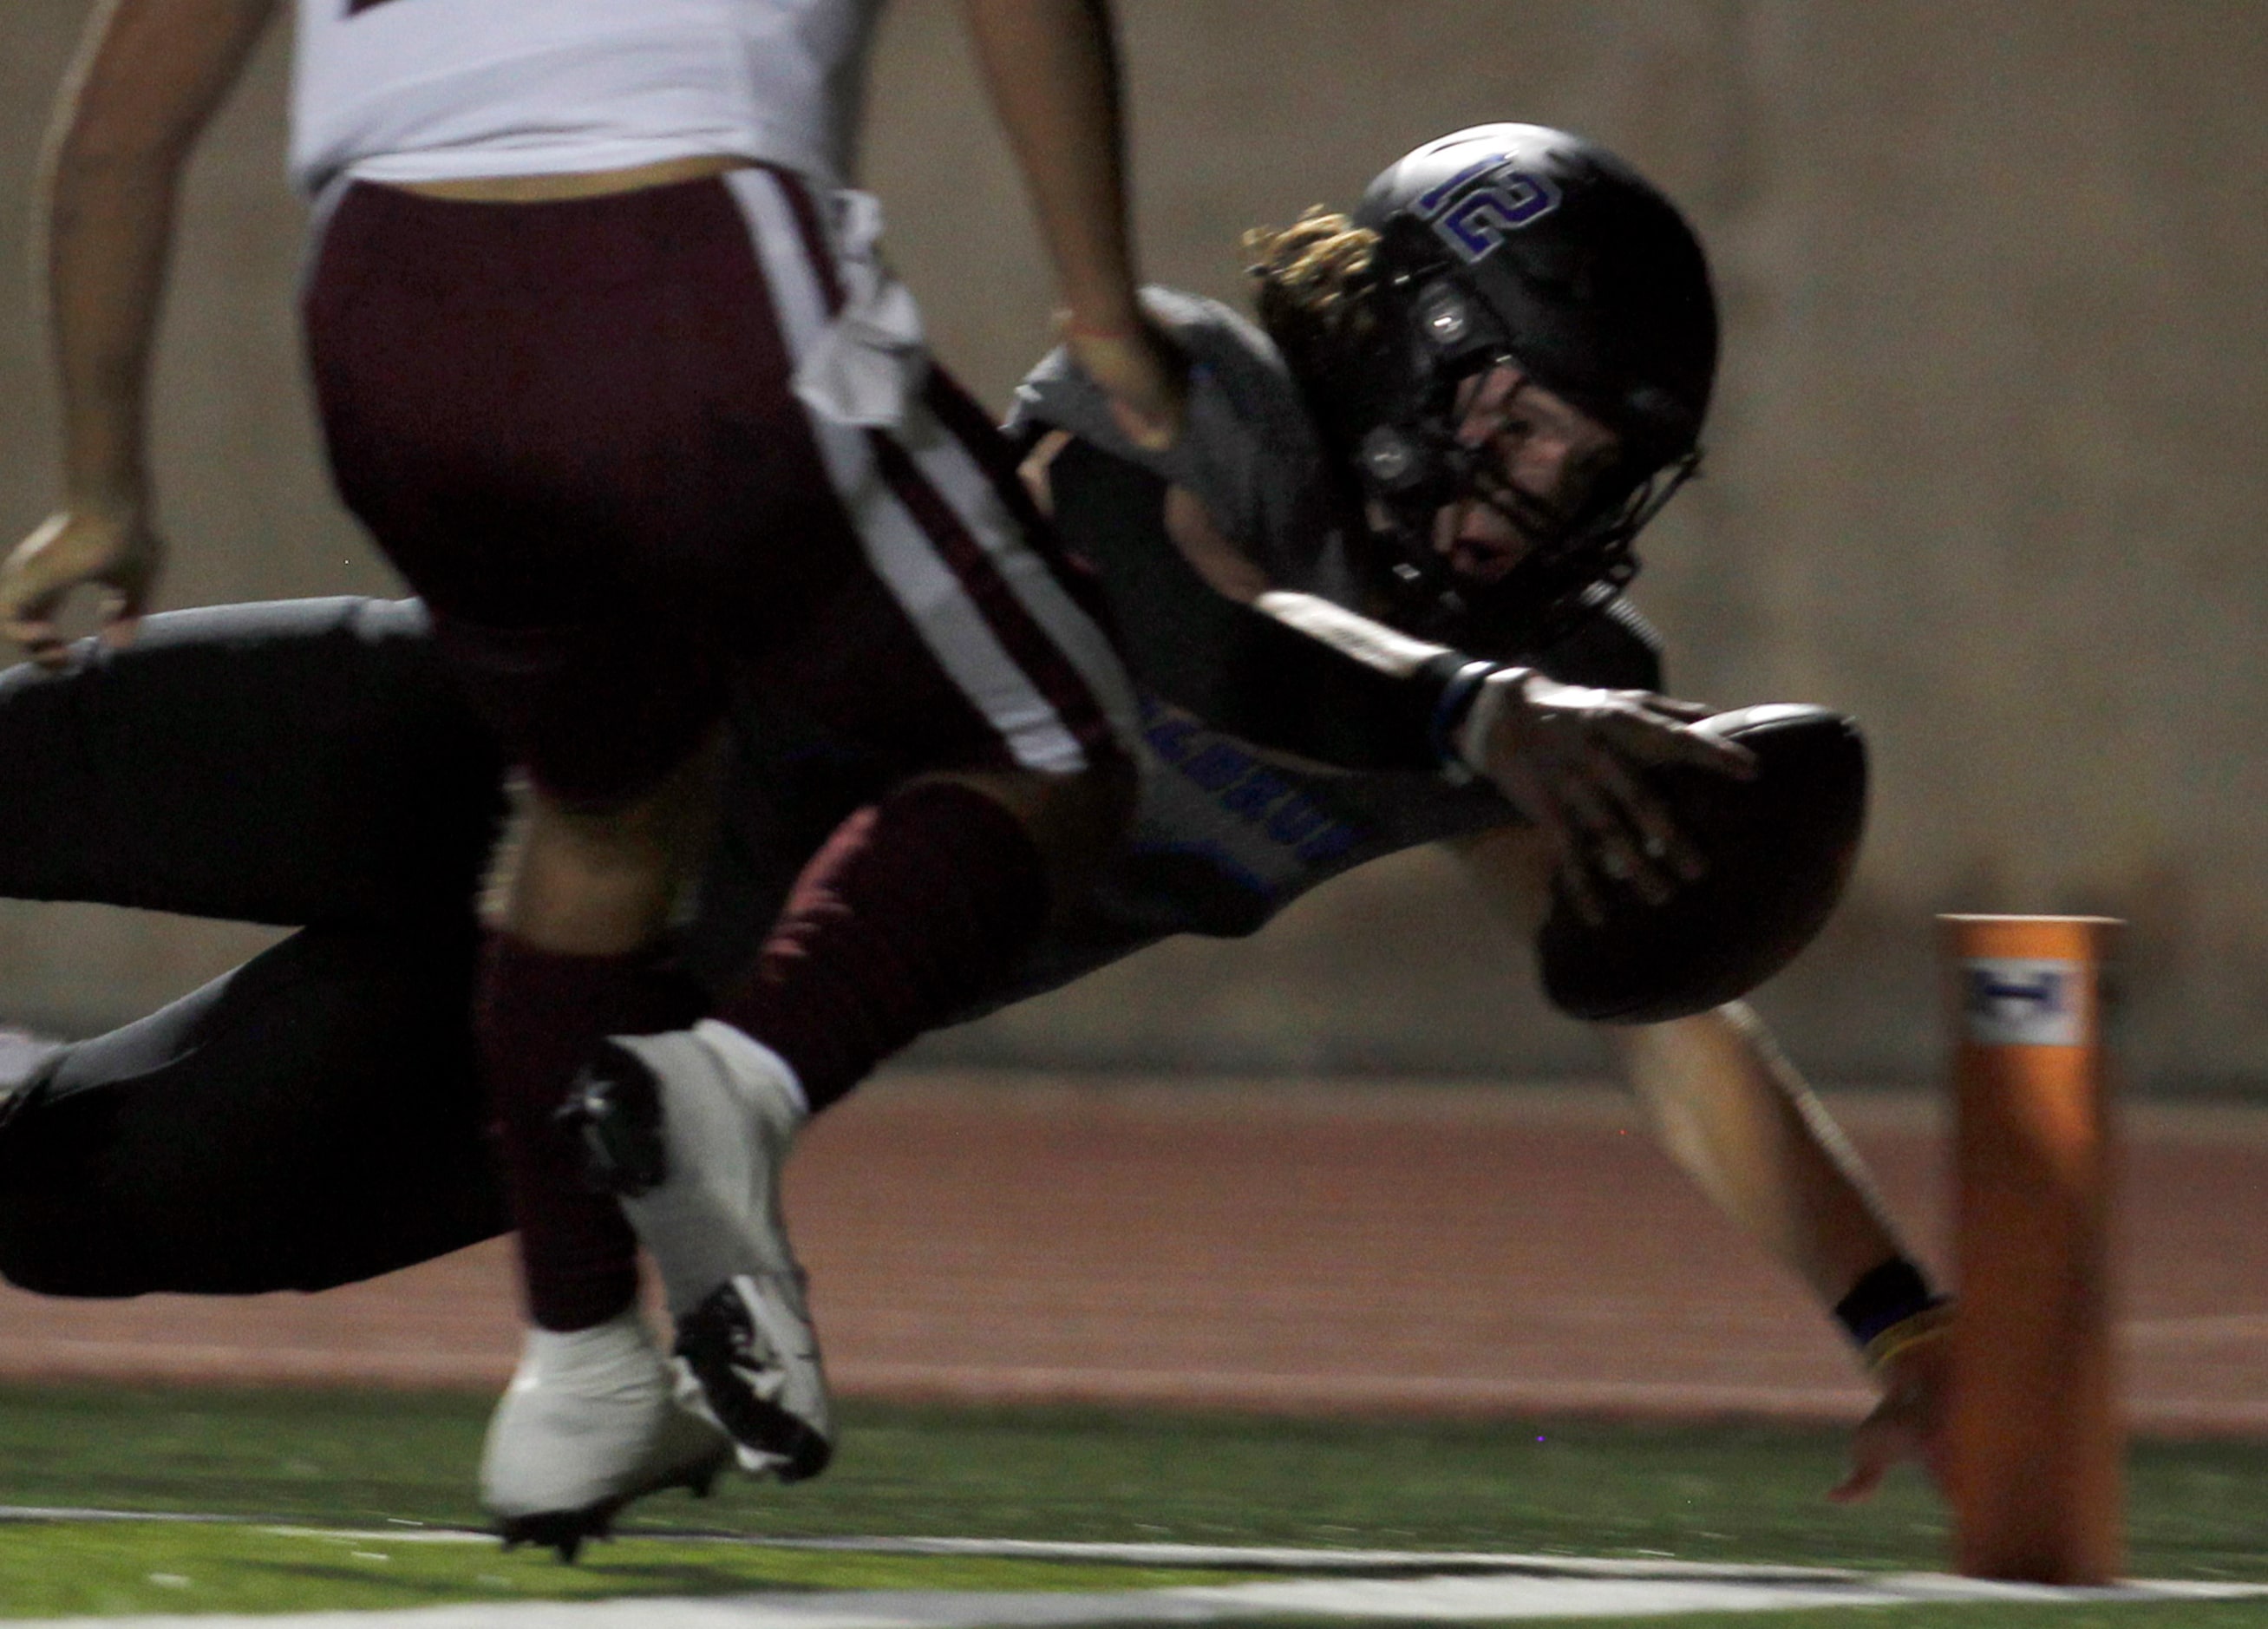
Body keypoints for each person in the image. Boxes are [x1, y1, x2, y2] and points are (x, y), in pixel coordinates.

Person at [0, 120, 1946, 1550]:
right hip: (552, 742)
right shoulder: (1204, 392)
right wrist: (1473, 711)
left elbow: (1663, 1017)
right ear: (1406, 334)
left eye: (1590, 466)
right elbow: (1164, 610)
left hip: (642, 1010)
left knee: (83, 1208)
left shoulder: (1533, 683)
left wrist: (1896, 1311)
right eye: (1521, 423)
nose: (1540, 498)